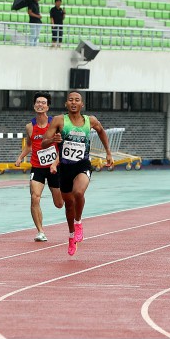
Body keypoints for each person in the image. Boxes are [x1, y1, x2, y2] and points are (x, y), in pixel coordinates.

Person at [41, 91, 113, 256]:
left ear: (82, 105)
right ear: (66, 104)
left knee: (78, 192)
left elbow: (101, 131)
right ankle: (71, 235)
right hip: (65, 168)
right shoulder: (59, 120)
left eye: (77, 100)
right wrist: (53, 140)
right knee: (68, 205)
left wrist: (108, 152)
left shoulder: (90, 121)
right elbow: (44, 142)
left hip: (82, 165)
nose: (74, 102)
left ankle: (79, 223)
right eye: (70, 100)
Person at [15, 92, 64, 242]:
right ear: (34, 105)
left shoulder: (55, 124)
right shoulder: (30, 127)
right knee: (34, 198)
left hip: (54, 167)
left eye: (43, 102)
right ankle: (40, 231)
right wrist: (20, 157)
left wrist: (56, 162)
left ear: (47, 106)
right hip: (37, 167)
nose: (40, 105)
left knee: (59, 204)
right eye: (38, 102)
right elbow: (29, 145)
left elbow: (62, 146)